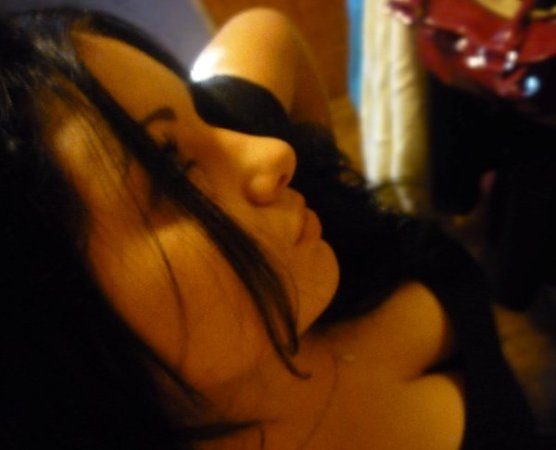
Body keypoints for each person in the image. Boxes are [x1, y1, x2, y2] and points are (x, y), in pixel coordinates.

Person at [0, 6, 544, 449]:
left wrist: (328, 174)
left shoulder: (259, 176)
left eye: (195, 110)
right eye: (173, 168)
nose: (273, 152)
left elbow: (264, 30)